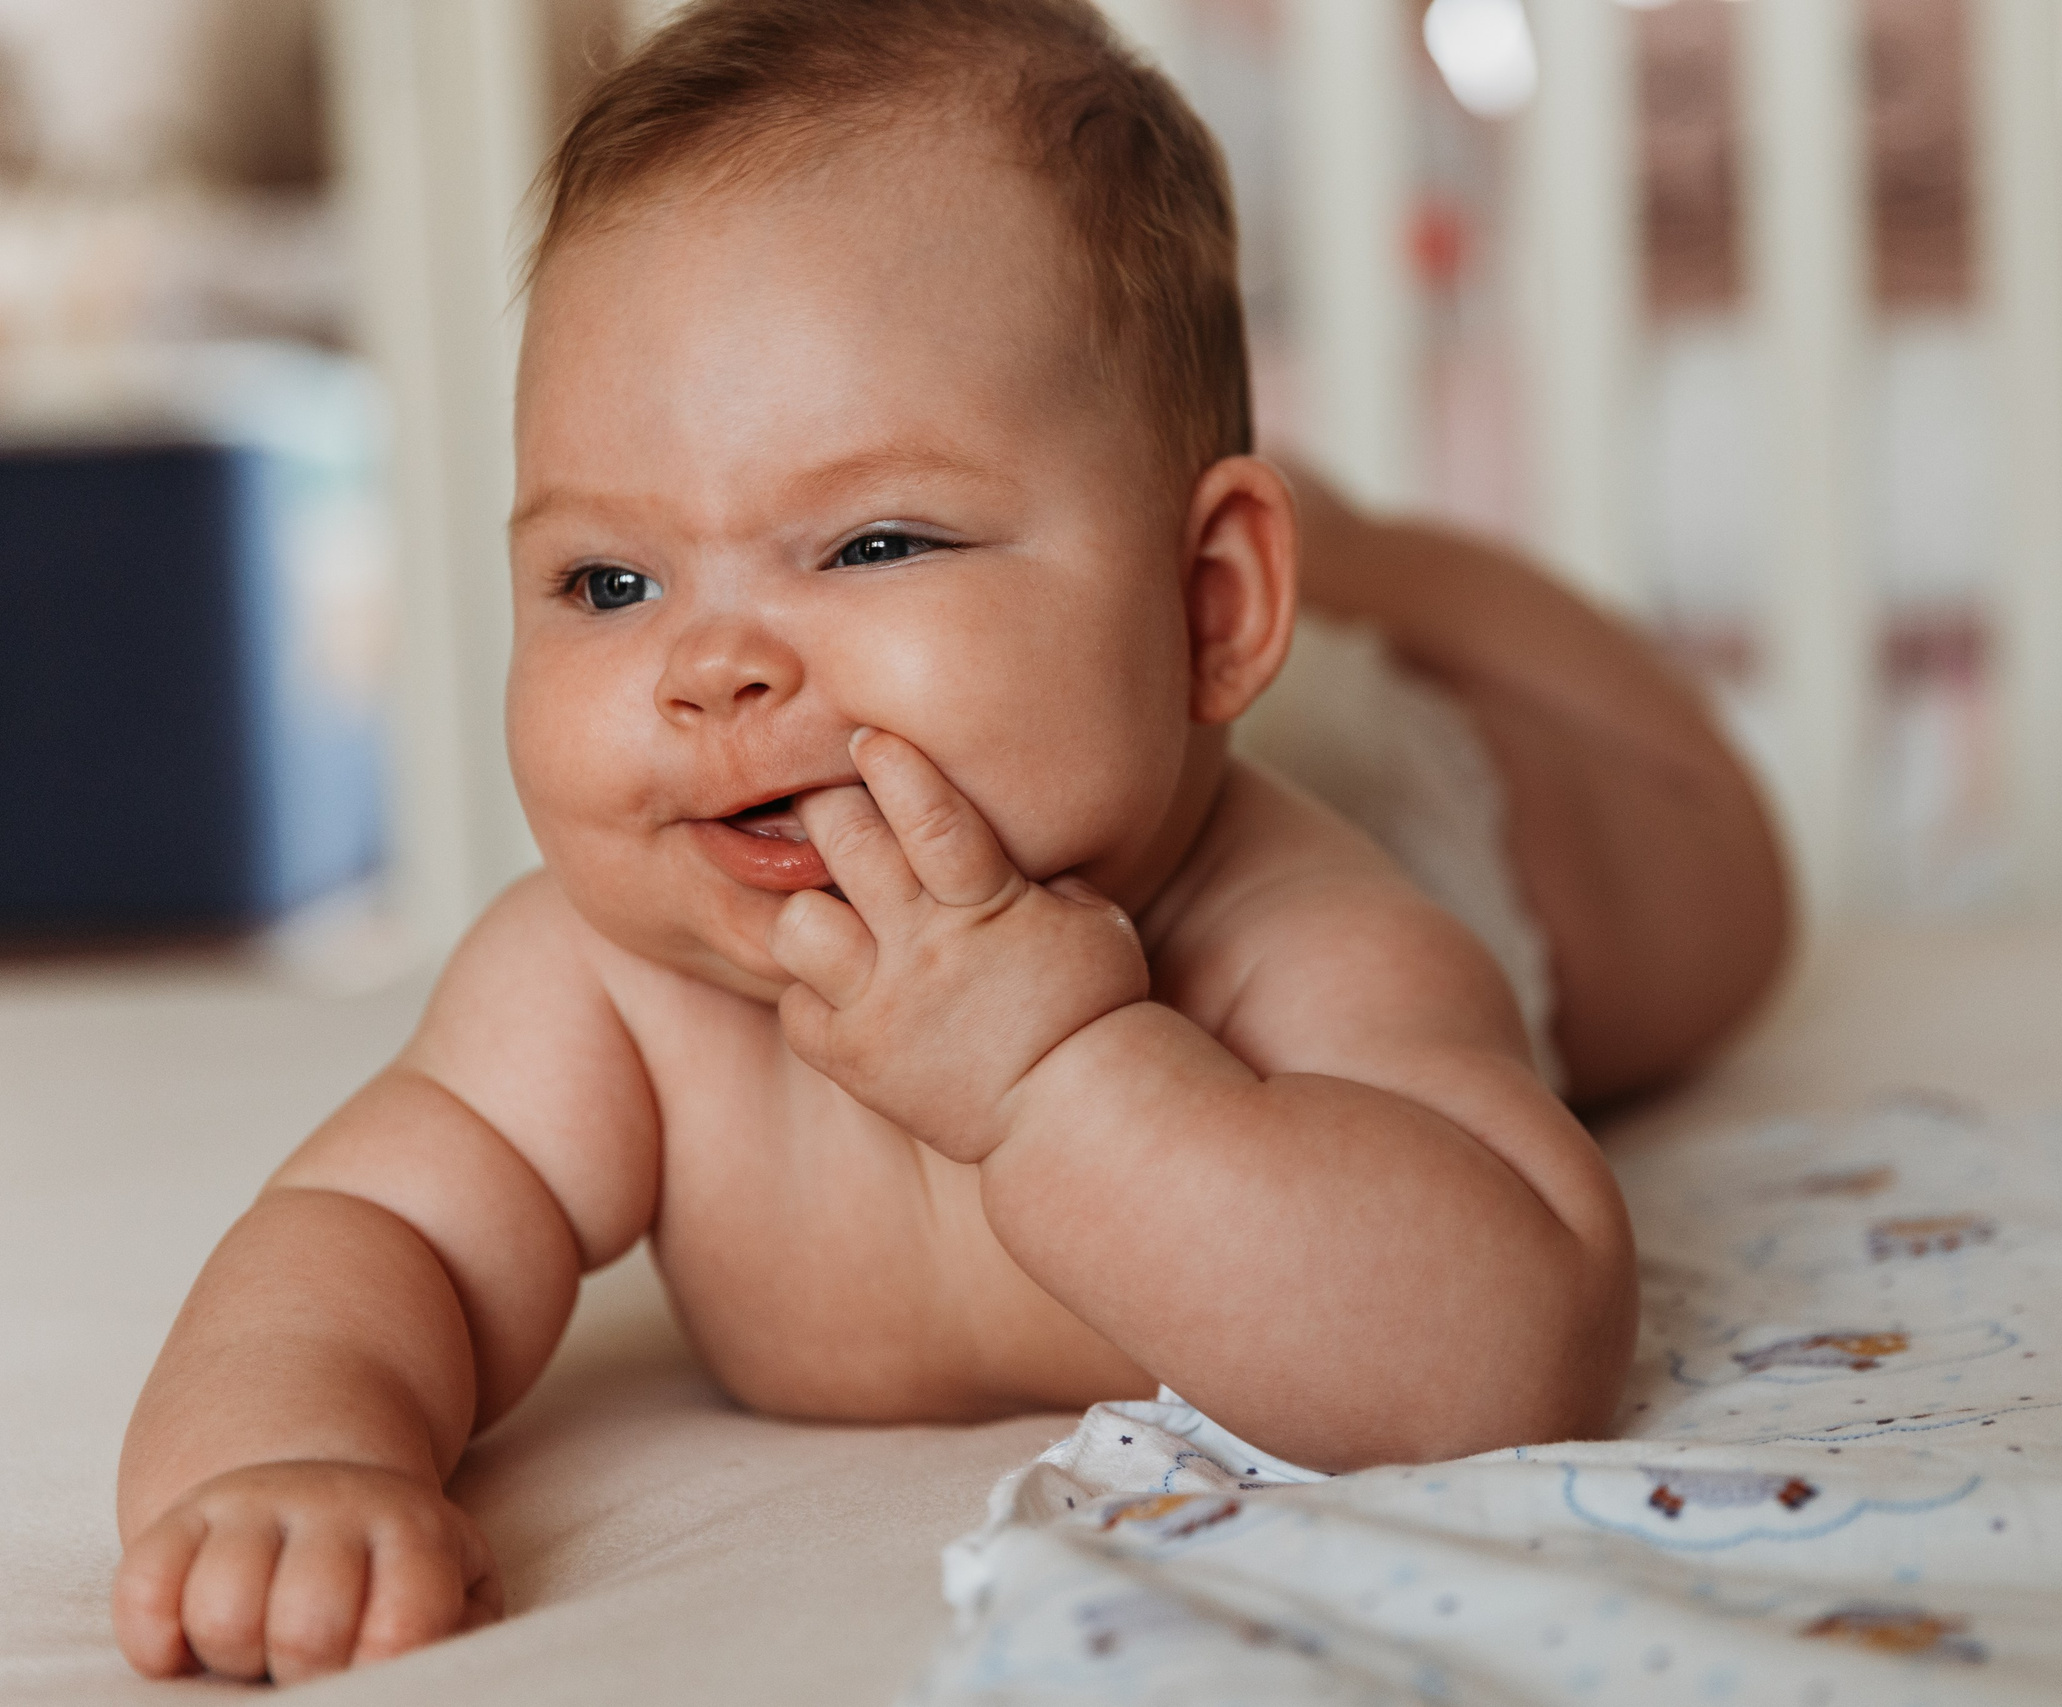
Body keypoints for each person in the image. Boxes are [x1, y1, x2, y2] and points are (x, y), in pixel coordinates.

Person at [111, 0, 1789, 1683]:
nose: (714, 665)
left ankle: (1370, 563)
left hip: (1446, 788)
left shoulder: (1307, 934)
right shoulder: (610, 985)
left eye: (872, 542)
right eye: (610, 582)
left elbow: (1510, 1351)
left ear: (1213, 605)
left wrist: (1059, 1075)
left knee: (1712, 893)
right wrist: (294, 1455)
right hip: (1179, 682)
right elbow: (370, 1233)